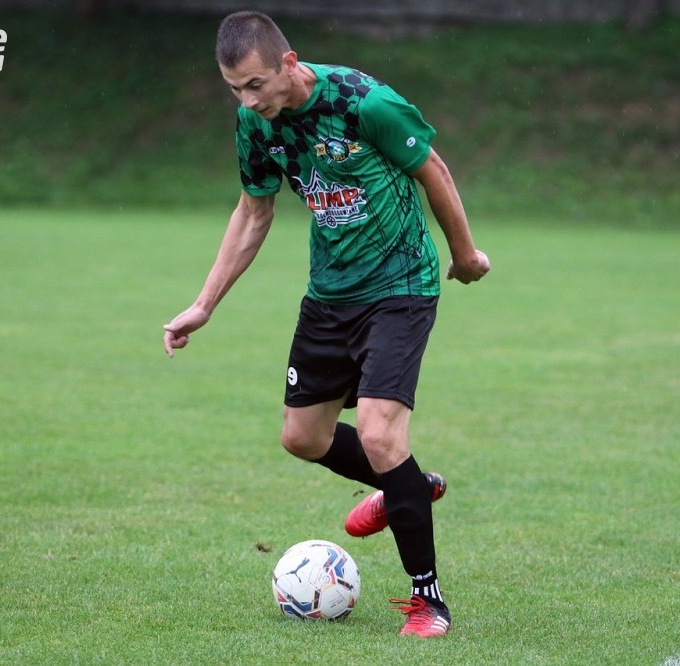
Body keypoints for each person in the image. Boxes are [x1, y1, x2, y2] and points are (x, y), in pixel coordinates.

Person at [163, 10, 489, 638]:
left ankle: (428, 601)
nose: (247, 100)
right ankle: (408, 488)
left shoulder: (363, 102)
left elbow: (434, 171)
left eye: (255, 84)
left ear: (288, 63)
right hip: (330, 294)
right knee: (303, 437)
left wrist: (465, 254)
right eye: (234, 89)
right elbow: (253, 211)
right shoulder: (255, 124)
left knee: (379, 434)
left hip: (400, 285)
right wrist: (204, 304)